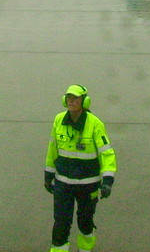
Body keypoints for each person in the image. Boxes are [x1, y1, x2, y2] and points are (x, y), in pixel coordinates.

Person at [44, 84, 117, 251]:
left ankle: (85, 249)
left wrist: (108, 180)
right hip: (63, 183)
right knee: (61, 223)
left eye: (75, 98)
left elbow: (107, 153)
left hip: (88, 184)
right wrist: (48, 175)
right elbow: (52, 149)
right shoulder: (59, 120)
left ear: (84, 101)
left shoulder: (95, 124)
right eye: (69, 97)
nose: (71, 101)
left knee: (85, 222)